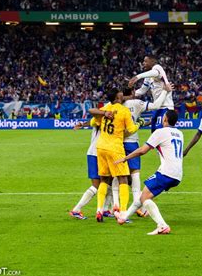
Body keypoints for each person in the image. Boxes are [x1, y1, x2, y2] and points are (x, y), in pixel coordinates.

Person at [114, 110, 183, 235]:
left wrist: (125, 158)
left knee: (145, 198)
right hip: (177, 174)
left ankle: (162, 225)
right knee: (143, 195)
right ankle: (123, 218)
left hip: (166, 172)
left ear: (165, 119)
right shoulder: (179, 133)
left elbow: (142, 150)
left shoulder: (161, 132)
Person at [93, 88, 141, 222]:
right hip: (115, 148)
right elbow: (131, 129)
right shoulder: (124, 110)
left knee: (104, 180)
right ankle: (123, 212)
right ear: (118, 97)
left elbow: (93, 122)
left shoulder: (106, 109)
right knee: (123, 179)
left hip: (101, 146)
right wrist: (139, 124)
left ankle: (99, 210)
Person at [121, 86, 169, 217]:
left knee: (119, 175)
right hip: (131, 141)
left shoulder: (114, 104)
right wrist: (165, 90)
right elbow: (156, 105)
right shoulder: (136, 103)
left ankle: (113, 207)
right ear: (132, 93)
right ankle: (140, 207)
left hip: (117, 142)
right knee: (135, 174)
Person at [69, 109, 115, 220]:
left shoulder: (101, 119)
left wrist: (81, 124)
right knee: (97, 185)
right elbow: (92, 120)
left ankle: (105, 209)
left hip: (101, 153)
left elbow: (91, 122)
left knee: (110, 181)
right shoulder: (101, 119)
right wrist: (82, 124)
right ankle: (76, 209)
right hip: (96, 153)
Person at [129, 55, 174, 132]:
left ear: (152, 62)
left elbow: (155, 73)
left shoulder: (158, 67)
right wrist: (129, 95)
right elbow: (142, 90)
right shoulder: (148, 77)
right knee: (154, 134)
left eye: (145, 61)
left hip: (166, 107)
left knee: (162, 135)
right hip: (157, 106)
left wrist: (137, 77)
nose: (143, 63)